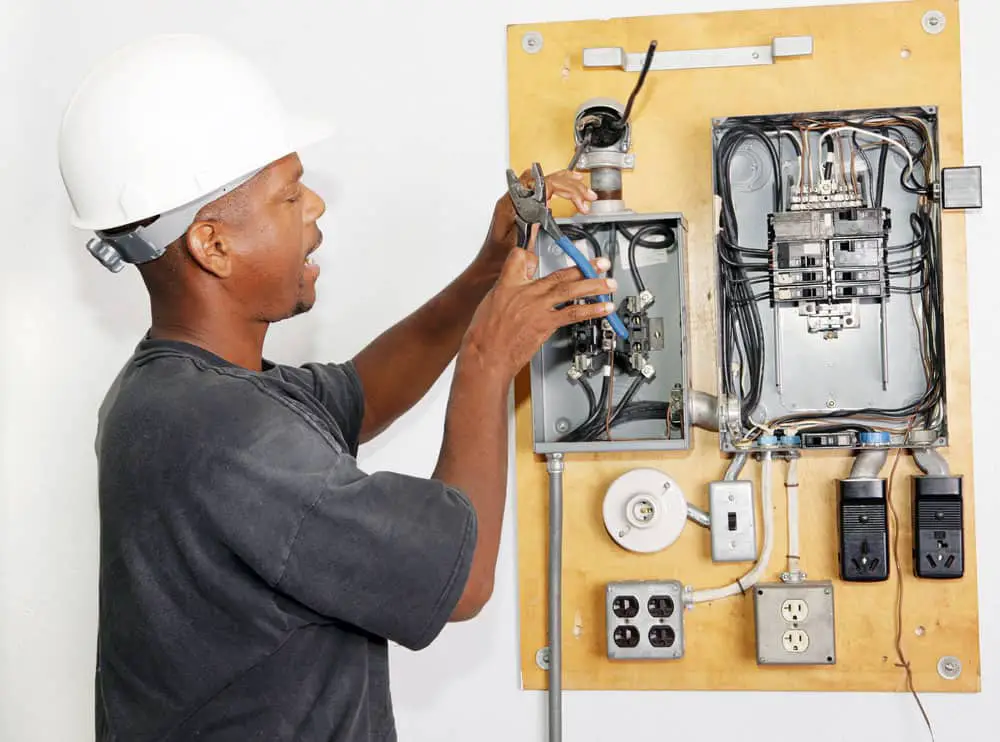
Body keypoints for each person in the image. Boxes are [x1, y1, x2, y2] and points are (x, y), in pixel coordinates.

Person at [57, 34, 616, 741]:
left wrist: (484, 272)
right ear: (213, 245)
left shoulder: (179, 392)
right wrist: (487, 360)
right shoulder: (222, 434)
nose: (315, 204)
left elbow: (363, 392)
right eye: (289, 194)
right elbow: (463, 581)